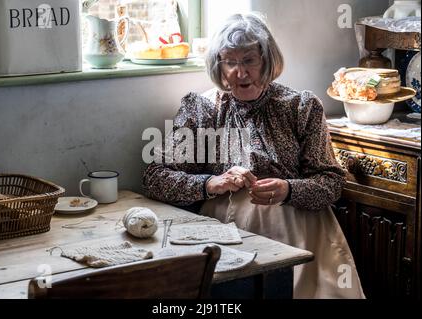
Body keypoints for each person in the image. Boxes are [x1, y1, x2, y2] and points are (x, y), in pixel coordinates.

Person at [142, 12, 365, 299]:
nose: (240, 72)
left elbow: (331, 183)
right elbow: (155, 178)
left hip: (302, 231)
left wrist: (288, 189)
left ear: (267, 61)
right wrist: (211, 183)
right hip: (227, 232)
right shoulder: (202, 109)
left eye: (249, 60)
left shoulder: (300, 107)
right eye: (230, 61)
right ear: (219, 66)